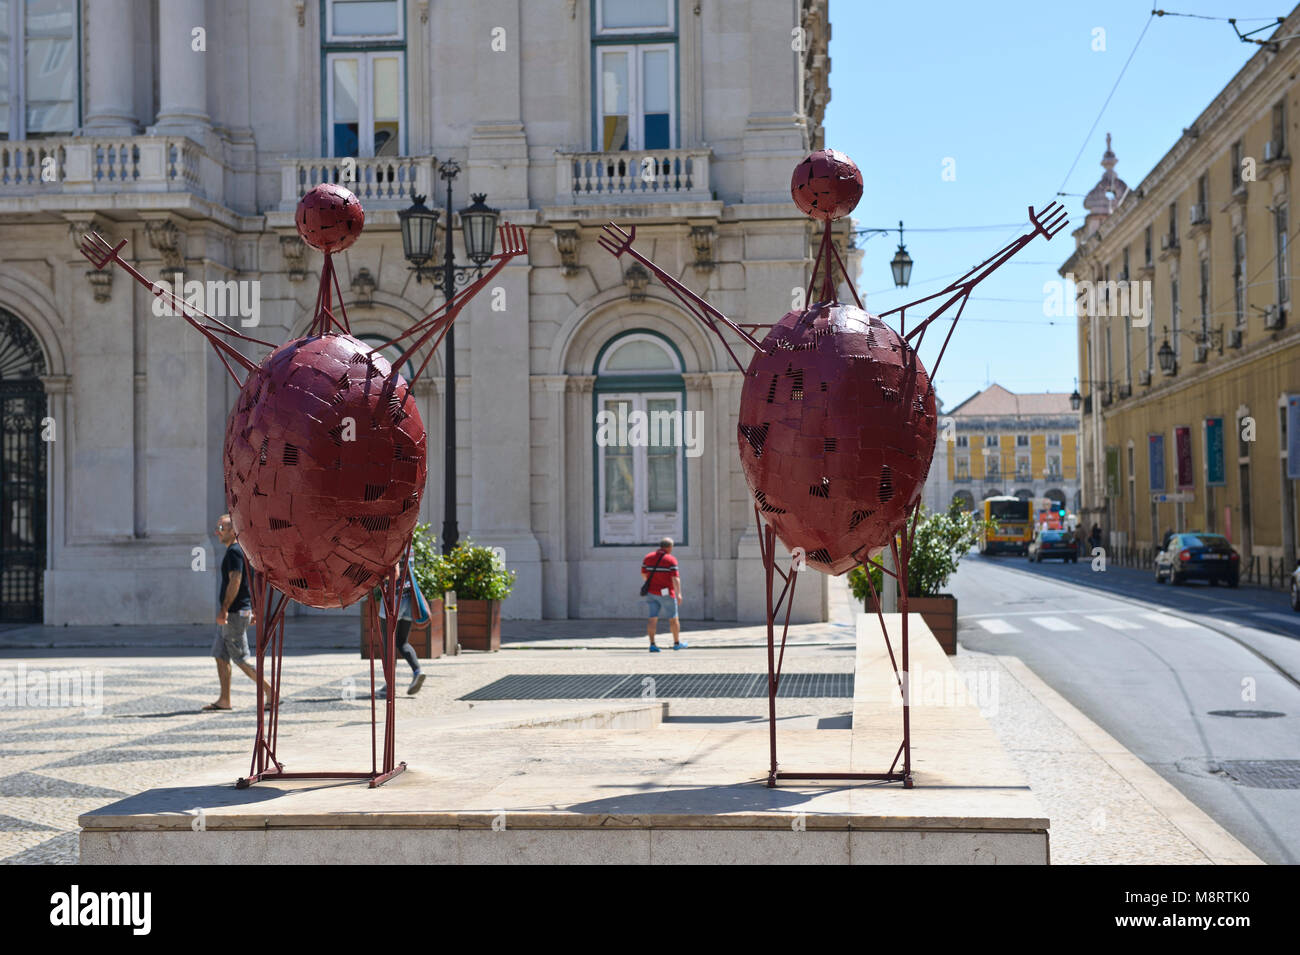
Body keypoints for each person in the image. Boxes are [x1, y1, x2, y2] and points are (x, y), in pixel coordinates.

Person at [204, 514, 273, 711]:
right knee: (220, 654)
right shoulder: (239, 551)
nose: (217, 532)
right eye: (217, 528)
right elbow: (248, 583)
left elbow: (236, 580)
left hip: (233, 613)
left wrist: (225, 610)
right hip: (238, 610)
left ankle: (271, 692)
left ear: (234, 531)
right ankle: (224, 700)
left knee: (240, 658)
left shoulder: (234, 552)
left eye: (222, 528)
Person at [373, 546, 430, 699]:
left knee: (388, 645)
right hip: (409, 598)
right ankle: (417, 670)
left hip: (394, 599)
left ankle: (389, 686)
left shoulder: (394, 542)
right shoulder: (409, 545)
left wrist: (375, 576)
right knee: (401, 641)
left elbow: (395, 573)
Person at [641, 537, 686, 652]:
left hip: (651, 592)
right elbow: (676, 578)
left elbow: (644, 574)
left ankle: (652, 644)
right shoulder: (671, 560)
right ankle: (676, 643)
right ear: (670, 547)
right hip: (666, 592)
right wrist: (679, 593)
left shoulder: (648, 557)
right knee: (673, 618)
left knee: (652, 618)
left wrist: (651, 583)